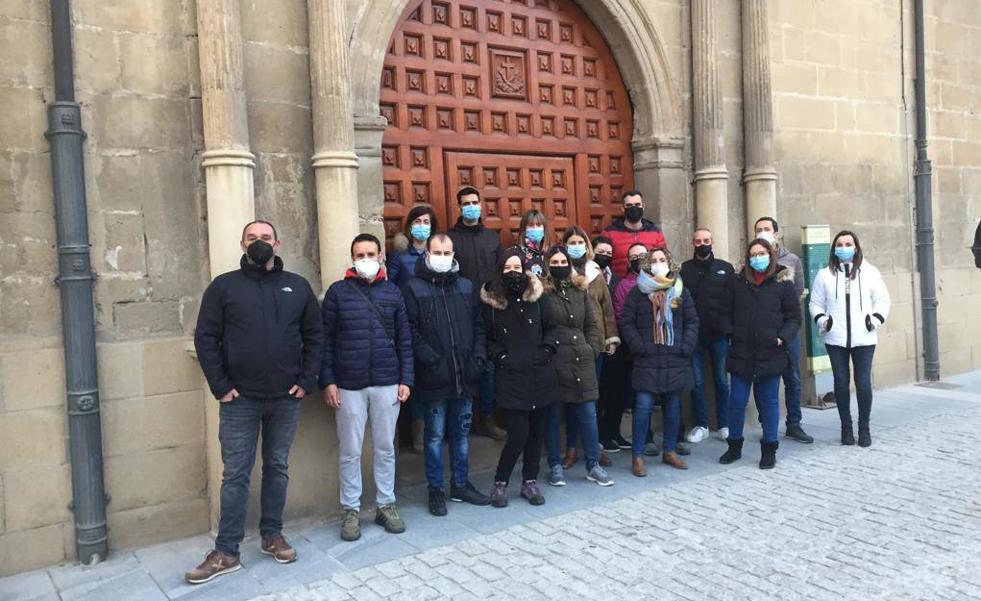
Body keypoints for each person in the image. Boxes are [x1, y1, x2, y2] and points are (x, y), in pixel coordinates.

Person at [187, 220, 324, 584]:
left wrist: (305, 380)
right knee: (235, 474)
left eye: (265, 237)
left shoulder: (297, 286)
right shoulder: (224, 287)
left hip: (285, 397)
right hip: (240, 399)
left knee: (277, 466)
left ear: (277, 242)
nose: (259, 242)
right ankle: (226, 550)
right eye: (252, 238)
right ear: (243, 243)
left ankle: (272, 535)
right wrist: (221, 385)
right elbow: (206, 338)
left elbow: (315, 336)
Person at [320, 233, 414, 542]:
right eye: (360, 255)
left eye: (371, 254)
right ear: (352, 259)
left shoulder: (393, 293)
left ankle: (386, 504)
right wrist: (329, 380)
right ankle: (351, 510)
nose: (365, 260)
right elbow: (326, 342)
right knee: (350, 451)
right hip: (348, 385)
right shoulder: (337, 293)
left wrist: (406, 379)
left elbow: (404, 339)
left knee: (386, 448)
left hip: (388, 383)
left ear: (380, 257)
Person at [401, 234, 492, 515]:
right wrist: (430, 358)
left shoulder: (465, 286)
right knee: (434, 436)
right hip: (434, 375)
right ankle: (436, 489)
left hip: (464, 374)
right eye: (437, 252)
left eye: (447, 252)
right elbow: (409, 330)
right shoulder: (413, 288)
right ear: (427, 254)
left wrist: (478, 357)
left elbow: (479, 326)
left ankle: (461, 484)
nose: (443, 257)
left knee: (461, 434)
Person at [480, 248, 559, 507]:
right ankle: (500, 482)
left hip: (540, 374)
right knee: (518, 434)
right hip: (512, 377)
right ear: (500, 271)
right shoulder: (493, 303)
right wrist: (501, 357)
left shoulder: (538, 298)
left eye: (517, 267)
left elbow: (551, 328)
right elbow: (487, 339)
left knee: (536, 433)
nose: (513, 273)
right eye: (507, 268)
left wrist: (547, 350)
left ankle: (529, 482)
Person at [719, 238, 801, 470]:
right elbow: (725, 312)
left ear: (770, 254)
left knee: (769, 402)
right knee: (736, 401)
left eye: (761, 253)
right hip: (741, 351)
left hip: (771, 351)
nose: (757, 258)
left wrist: (782, 337)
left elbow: (794, 317)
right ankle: (734, 445)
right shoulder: (736, 282)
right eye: (753, 254)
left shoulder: (783, 283)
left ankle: (769, 449)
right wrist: (730, 333)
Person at [620, 249, 699, 476]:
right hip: (647, 359)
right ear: (647, 266)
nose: (658, 264)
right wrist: (639, 346)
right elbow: (627, 322)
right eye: (653, 261)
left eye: (662, 260)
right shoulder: (637, 293)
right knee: (643, 407)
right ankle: (637, 455)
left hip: (674, 357)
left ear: (669, 263)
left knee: (673, 407)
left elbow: (693, 321)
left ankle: (670, 450)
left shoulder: (680, 290)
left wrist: (685, 347)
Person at [540, 245, 614, 487]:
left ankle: (593, 464)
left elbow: (592, 323)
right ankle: (555, 465)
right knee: (553, 416)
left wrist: (592, 348)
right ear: (548, 265)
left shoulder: (580, 289)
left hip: (582, 359)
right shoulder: (541, 292)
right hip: (554, 361)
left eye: (564, 262)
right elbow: (539, 328)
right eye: (555, 262)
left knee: (588, 415)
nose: (560, 266)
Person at [809, 230, 891, 447]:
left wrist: (874, 319)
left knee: (863, 383)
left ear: (856, 248)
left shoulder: (870, 272)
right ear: (834, 249)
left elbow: (883, 300)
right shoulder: (825, 274)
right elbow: (815, 303)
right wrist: (822, 320)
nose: (843, 247)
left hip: (864, 337)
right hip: (835, 337)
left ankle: (864, 427)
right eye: (840, 244)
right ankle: (846, 427)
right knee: (841, 383)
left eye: (848, 243)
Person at [447, 186, 506, 441]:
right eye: (466, 203)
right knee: (464, 366)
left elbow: (500, 273)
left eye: (475, 202)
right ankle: (462, 422)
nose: (471, 206)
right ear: (459, 207)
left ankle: (488, 418)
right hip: (461, 313)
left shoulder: (492, 238)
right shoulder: (450, 238)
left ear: (481, 205)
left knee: (490, 367)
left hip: (490, 312)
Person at [560, 227, 620, 469]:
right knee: (572, 401)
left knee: (591, 400)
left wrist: (611, 338)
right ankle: (572, 448)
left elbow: (607, 308)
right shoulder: (561, 271)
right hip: (570, 345)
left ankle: (594, 447)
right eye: (571, 242)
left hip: (594, 344)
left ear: (586, 245)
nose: (576, 245)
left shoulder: (596, 273)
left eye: (580, 241)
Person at [753, 217, 813, 444]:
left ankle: (794, 424)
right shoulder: (751, 260)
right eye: (758, 230)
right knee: (761, 377)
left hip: (786, 330)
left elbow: (797, 292)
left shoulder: (792, 260)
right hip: (761, 332)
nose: (762, 233)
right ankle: (766, 422)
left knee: (792, 377)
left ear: (776, 234)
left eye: (766, 229)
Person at [386, 204, 438, 454]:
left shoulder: (439, 252)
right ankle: (418, 432)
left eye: (427, 222)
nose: (422, 226)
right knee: (414, 377)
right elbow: (391, 287)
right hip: (409, 322)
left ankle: (437, 429)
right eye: (418, 221)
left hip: (437, 322)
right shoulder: (400, 256)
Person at [680, 228, 734, 443]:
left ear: (712, 242)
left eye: (706, 240)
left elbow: (733, 300)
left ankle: (724, 424)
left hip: (720, 335)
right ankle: (701, 424)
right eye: (699, 241)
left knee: (721, 381)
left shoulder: (725, 268)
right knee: (697, 382)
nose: (703, 244)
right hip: (694, 336)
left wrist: (730, 328)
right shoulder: (685, 269)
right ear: (693, 243)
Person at [602, 190, 667, 278]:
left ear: (643, 206)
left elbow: (664, 260)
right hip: (619, 286)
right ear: (622, 208)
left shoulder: (656, 233)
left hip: (651, 284)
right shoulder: (609, 233)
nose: (633, 208)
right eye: (629, 205)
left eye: (637, 205)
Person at [514, 209, 550, 277]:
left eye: (538, 225)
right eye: (531, 225)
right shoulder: (515, 253)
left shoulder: (550, 252)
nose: (535, 228)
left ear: (544, 228)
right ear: (524, 229)